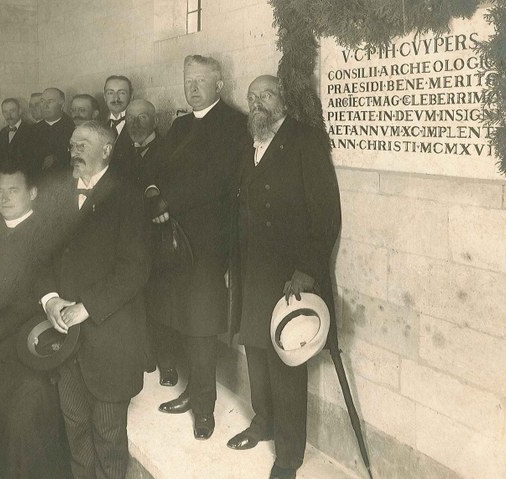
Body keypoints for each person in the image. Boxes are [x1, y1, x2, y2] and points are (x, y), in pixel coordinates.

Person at [226, 75, 341, 479]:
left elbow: (326, 213)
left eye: (266, 95)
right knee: (255, 351)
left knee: (286, 360)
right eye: (252, 96)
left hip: (288, 274)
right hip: (251, 268)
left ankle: (289, 455)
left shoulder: (304, 139)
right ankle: (263, 423)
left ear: (282, 100)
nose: (258, 103)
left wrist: (307, 270)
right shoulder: (250, 142)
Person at [37, 121, 150, 479]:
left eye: (84, 144)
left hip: (110, 339)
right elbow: (39, 257)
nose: (75, 150)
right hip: (65, 339)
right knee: (75, 430)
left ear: (107, 150)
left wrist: (86, 307)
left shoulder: (129, 197)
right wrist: (51, 301)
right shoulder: (56, 196)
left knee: (109, 436)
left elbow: (135, 269)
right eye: (72, 144)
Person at [145, 54, 250, 440]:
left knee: (202, 324)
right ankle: (192, 391)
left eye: (201, 81)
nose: (192, 88)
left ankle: (204, 410)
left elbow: (217, 179)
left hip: (207, 244)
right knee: (181, 316)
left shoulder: (235, 124)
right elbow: (158, 168)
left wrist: (165, 200)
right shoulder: (180, 124)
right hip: (173, 240)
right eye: (188, 80)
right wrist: (154, 192)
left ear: (218, 85)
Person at [0, 161, 71, 479]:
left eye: (13, 190)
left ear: (32, 193)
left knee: (27, 453)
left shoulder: (44, 234)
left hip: (26, 362)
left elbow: (36, 302)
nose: (4, 198)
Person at [124, 98, 179, 385]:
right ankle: (144, 357)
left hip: (158, 238)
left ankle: (168, 364)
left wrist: (157, 192)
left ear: (154, 121)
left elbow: (176, 185)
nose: (135, 123)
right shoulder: (122, 150)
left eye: (142, 117)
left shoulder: (169, 148)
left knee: (161, 302)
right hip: (130, 240)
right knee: (135, 299)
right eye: (131, 118)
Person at [0, 98, 44, 181]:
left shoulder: (32, 130)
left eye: (12, 111)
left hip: (25, 179)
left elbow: (34, 160)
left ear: (20, 111)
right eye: (5, 112)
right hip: (7, 179)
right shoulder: (3, 132)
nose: (9, 115)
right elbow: (0, 156)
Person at [33, 87, 75, 171]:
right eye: (42, 101)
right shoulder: (33, 129)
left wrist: (57, 157)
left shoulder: (72, 127)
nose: (45, 106)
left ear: (62, 105)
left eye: (50, 101)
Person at [103, 75, 135, 166]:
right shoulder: (100, 126)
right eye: (110, 93)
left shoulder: (139, 125)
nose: (116, 98)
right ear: (104, 96)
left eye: (122, 93)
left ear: (131, 96)